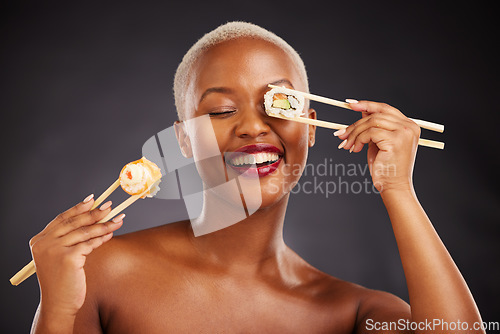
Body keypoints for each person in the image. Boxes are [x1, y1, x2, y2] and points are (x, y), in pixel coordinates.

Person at [30, 22, 484, 333]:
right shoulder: (97, 271)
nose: (251, 126)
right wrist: (56, 311)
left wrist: (398, 190)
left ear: (309, 127)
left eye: (276, 105)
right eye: (222, 111)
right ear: (184, 140)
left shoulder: (356, 312)